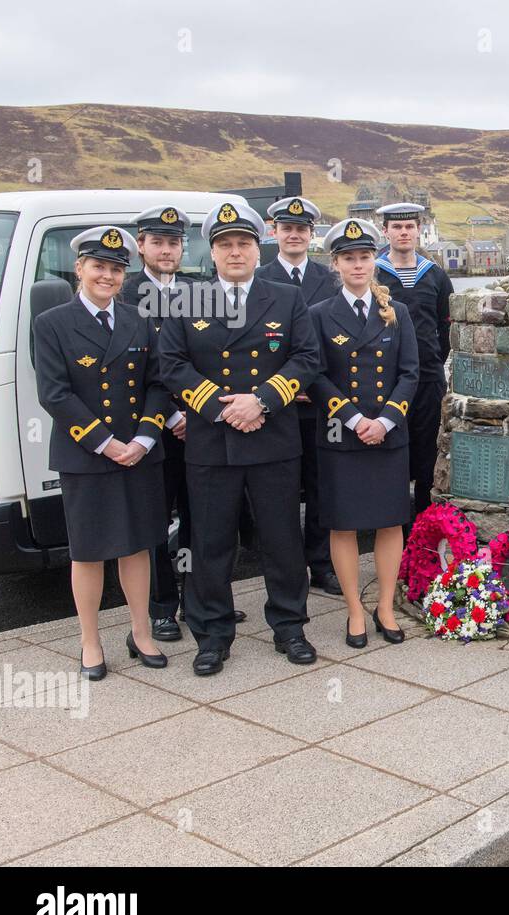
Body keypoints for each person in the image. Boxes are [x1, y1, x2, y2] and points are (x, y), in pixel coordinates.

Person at [158, 201, 323, 676]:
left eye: (243, 244)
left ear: (258, 248)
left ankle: (290, 626)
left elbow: (307, 357)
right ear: (212, 253)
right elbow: (171, 364)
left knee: (281, 538)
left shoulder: (286, 298)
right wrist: (222, 407)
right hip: (212, 440)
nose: (235, 252)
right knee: (210, 542)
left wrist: (263, 400)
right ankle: (212, 634)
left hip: (273, 438)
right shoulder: (188, 300)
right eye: (225, 245)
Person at [34, 226, 174, 677]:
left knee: (138, 547)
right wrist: (106, 443)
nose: (108, 276)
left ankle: (140, 632)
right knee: (89, 552)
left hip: (138, 454)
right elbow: (54, 394)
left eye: (116, 269)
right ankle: (90, 642)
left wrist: (144, 439)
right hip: (88, 456)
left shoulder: (138, 320)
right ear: (80, 269)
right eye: (99, 267)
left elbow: (157, 384)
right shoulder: (52, 323)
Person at [308, 219, 419, 646]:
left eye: (365, 257)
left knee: (391, 523)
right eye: (349, 258)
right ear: (335, 263)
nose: (358, 265)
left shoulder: (397, 311)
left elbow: (410, 372)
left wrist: (385, 420)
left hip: (388, 435)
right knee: (345, 525)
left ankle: (385, 606)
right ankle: (355, 608)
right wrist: (355, 420)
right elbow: (315, 375)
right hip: (342, 435)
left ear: (376, 260)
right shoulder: (319, 315)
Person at [256, 196, 341, 596]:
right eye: (286, 228)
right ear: (273, 232)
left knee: (322, 486)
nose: (294, 234)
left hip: (321, 404)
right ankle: (290, 570)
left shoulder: (330, 278)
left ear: (311, 235)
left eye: (301, 229)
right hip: (274, 406)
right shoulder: (258, 277)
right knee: (283, 492)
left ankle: (322, 564)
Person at [119, 205, 195, 641]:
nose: (166, 250)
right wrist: (170, 414)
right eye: (158, 242)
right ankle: (162, 607)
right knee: (154, 521)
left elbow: (207, 361)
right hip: (150, 429)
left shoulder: (199, 292)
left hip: (198, 426)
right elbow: (137, 370)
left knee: (199, 518)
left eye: (174, 242)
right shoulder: (124, 294)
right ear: (141, 246)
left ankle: (199, 600)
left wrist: (194, 411)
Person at [373, 203, 450, 519]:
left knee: (427, 458)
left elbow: (446, 327)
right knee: (390, 456)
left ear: (419, 229)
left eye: (409, 227)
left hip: (428, 379)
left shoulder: (435, 275)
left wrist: (431, 362)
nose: (403, 232)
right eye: (397, 227)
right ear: (385, 231)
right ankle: (391, 530)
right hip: (385, 381)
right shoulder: (373, 272)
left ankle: (423, 533)